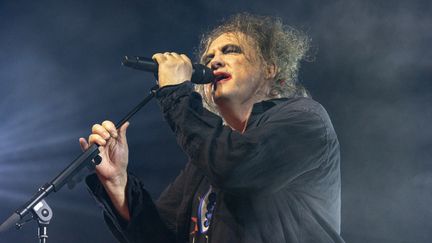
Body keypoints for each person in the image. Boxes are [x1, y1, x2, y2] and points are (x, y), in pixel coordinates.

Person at [81, 13, 345, 243]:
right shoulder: (204, 164)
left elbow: (235, 167)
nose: (214, 62)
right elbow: (158, 236)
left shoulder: (305, 120)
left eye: (230, 51)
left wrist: (175, 92)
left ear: (269, 68)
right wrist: (118, 182)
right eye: (208, 58)